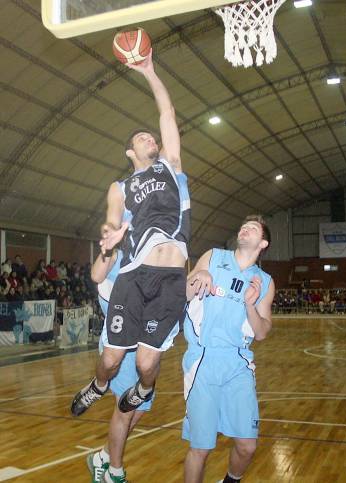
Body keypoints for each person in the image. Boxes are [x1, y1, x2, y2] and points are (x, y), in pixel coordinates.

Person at [71, 48, 190, 419]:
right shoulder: (120, 187)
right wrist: (109, 241)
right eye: (142, 138)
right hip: (133, 275)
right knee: (110, 359)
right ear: (129, 151)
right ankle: (98, 385)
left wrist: (149, 71)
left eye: (152, 137)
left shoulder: (171, 167)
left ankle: (144, 388)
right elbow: (110, 224)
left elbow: (167, 113)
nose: (150, 138)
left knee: (145, 363)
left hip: (170, 278)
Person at [183, 215, 275, 483]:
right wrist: (197, 276)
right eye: (244, 226)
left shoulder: (264, 281)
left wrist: (250, 305)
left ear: (263, 243)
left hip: (238, 363)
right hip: (203, 360)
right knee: (200, 447)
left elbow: (261, 332)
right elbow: (183, 294)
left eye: (253, 228)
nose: (245, 228)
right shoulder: (213, 256)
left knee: (247, 446)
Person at [86, 248, 179, 483]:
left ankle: (102, 456)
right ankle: (115, 472)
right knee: (125, 410)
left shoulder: (158, 261)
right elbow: (96, 275)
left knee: (140, 409)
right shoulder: (118, 255)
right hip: (120, 345)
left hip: (147, 346)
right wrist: (108, 246)